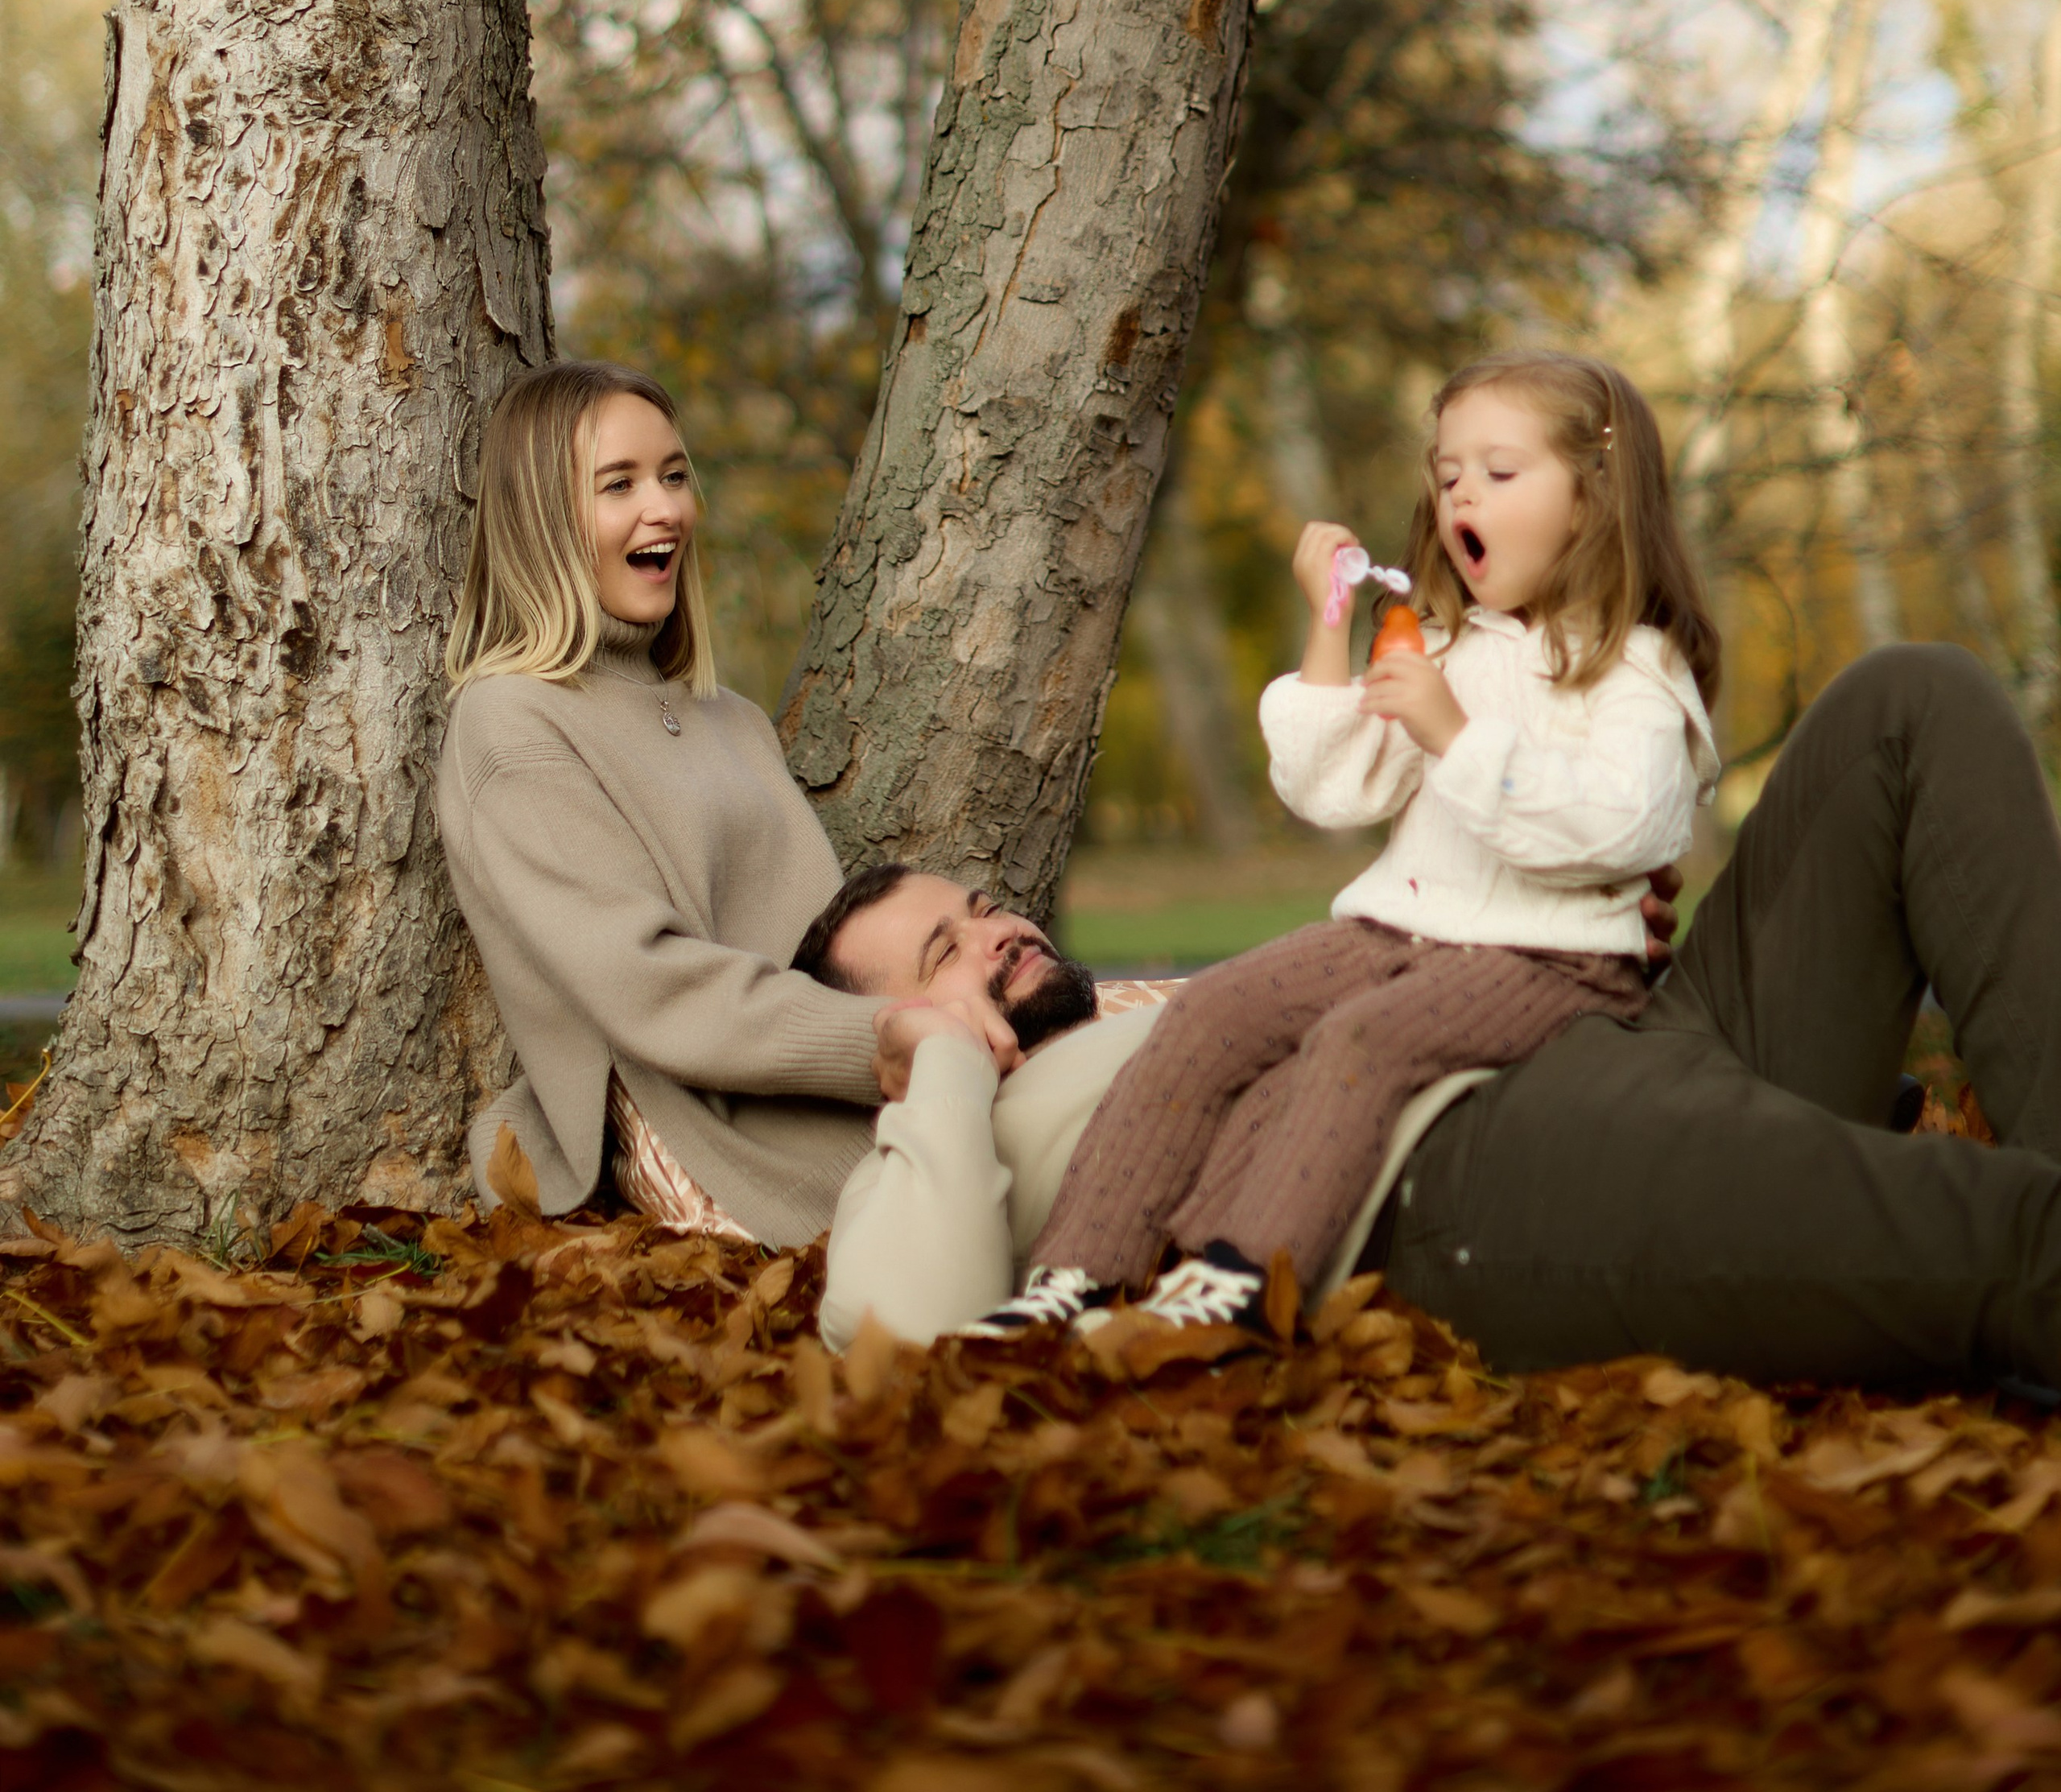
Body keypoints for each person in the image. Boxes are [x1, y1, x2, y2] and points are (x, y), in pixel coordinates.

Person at [812, 642, 2061, 1397]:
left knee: (1910, 706)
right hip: (1484, 1170)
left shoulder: (1167, 1012)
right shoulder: (925, 1154)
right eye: (944, 952)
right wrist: (938, 1076)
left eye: (979, 907)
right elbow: (907, 1332)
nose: (995, 931)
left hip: (1624, 1026)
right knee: (2006, 1243)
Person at [964, 353, 1719, 1336]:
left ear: (1592, 498)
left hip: (1555, 956)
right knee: (1212, 1012)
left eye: (1498, 473)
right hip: (1397, 931)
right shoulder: (1449, 646)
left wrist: (1453, 734)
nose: (1462, 497)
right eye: (1447, 476)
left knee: (1357, 1043)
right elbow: (1333, 788)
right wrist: (1331, 625)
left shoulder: (1633, 669)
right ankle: (1071, 1274)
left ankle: (1236, 1282)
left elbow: (1627, 826)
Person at [436, 359, 886, 1245]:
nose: (667, 509)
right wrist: (890, 1042)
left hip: (842, 1083)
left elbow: (814, 940)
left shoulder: (732, 721)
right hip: (714, 1136)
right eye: (621, 485)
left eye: (675, 476)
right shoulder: (512, 721)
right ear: (542, 520)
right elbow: (650, 985)